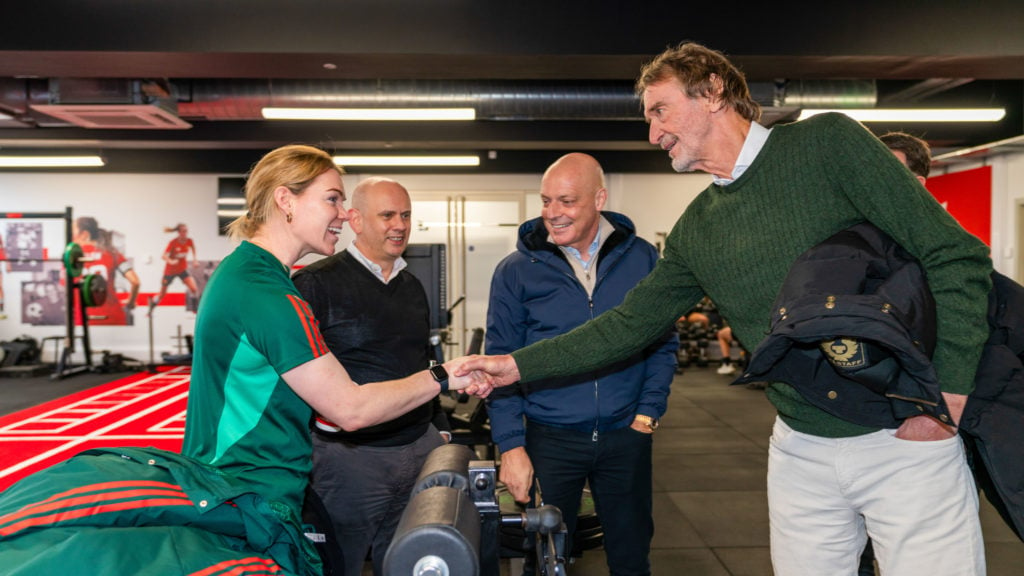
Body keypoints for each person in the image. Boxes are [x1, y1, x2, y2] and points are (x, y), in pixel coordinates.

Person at [458, 42, 992, 576]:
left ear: (712, 91)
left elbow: (956, 255)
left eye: (660, 111)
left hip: (902, 432)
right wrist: (512, 366)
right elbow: (625, 326)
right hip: (800, 445)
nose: (652, 134)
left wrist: (945, 398)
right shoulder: (698, 228)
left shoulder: (827, 144)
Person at [0, 144, 491, 575]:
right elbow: (352, 409)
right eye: (333, 199)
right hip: (244, 488)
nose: (343, 214)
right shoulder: (266, 293)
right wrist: (447, 374)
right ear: (286, 200)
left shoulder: (250, 274)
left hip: (242, 482)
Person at [485, 153, 677, 576]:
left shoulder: (642, 259)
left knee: (631, 558)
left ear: (599, 199)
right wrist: (511, 445)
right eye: (546, 200)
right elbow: (500, 365)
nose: (553, 213)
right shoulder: (516, 271)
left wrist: (647, 415)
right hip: (550, 439)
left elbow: (661, 343)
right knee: (546, 558)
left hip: (625, 436)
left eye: (567, 201)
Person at [291, 176, 452, 576]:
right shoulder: (314, 283)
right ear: (355, 220)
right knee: (337, 565)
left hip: (418, 449)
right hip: (349, 462)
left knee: (408, 563)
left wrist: (441, 425)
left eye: (406, 215)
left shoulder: (412, 285)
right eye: (387, 215)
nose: (399, 224)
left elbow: (422, 360)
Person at [71, 216, 141, 325]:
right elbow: (135, 282)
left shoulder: (72, 257)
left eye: (72, 231)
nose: (71, 236)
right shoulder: (113, 254)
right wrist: (131, 303)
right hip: (113, 317)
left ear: (85, 234)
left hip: (84, 319)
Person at [149, 222, 199, 314]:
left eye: (186, 231)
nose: (185, 233)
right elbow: (163, 256)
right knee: (162, 295)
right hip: (169, 272)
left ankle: (194, 310)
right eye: (183, 231)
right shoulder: (173, 243)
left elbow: (193, 248)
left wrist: (195, 259)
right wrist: (171, 261)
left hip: (182, 270)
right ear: (179, 232)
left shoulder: (189, 241)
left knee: (193, 288)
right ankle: (152, 306)